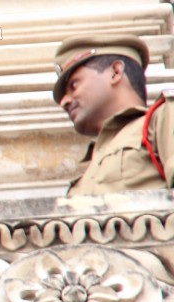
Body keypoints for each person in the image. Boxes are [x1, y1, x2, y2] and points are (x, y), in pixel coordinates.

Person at [54, 35, 174, 195]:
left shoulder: (161, 118)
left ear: (115, 72)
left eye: (74, 84)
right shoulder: (89, 170)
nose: (64, 102)